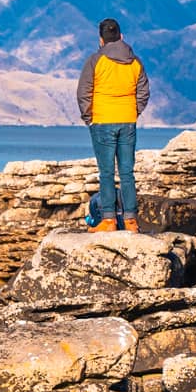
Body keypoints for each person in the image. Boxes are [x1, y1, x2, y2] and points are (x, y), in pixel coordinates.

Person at [76, 17, 150, 232]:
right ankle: (130, 221)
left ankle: (108, 220)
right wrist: (133, 111)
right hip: (127, 121)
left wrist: (88, 117)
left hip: (102, 120)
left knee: (106, 172)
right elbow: (144, 92)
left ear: (101, 40)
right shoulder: (135, 62)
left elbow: (83, 93)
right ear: (121, 36)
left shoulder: (95, 61)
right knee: (127, 173)